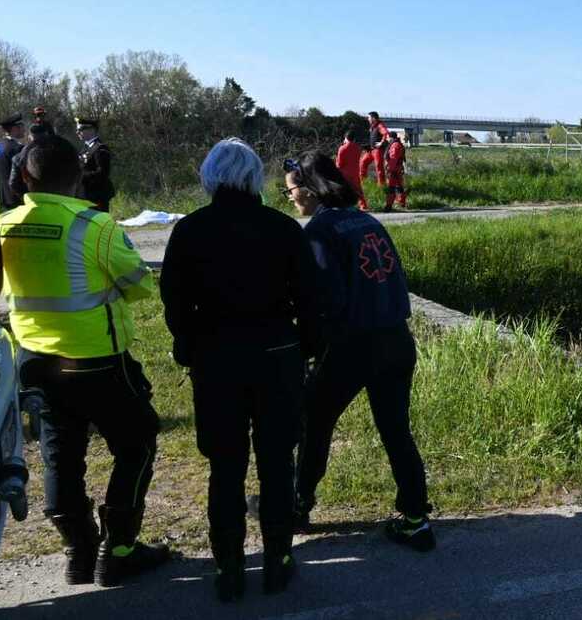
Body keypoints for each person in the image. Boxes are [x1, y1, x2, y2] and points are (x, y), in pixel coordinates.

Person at [0, 133, 168, 587]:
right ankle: (118, 550)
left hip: (36, 362)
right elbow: (138, 284)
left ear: (24, 177)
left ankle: (78, 551)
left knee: (60, 459)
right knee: (137, 446)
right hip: (97, 362)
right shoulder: (95, 226)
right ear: (78, 176)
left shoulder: (4, 223)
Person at [159, 139, 320, 601]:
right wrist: (306, 348)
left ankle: (228, 567)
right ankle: (277, 560)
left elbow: (174, 302)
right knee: (276, 463)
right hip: (277, 357)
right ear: (254, 178)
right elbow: (310, 299)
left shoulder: (190, 230)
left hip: (217, 361)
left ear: (211, 177)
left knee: (225, 468)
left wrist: (190, 347)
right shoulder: (283, 228)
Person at [284, 151, 435, 552]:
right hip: (397, 339)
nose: (292, 199)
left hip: (354, 344)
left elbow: (324, 300)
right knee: (395, 430)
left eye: (292, 191)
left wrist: (308, 352)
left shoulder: (319, 231)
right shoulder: (368, 220)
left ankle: (298, 506)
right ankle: (416, 519)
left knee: (315, 421)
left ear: (311, 188)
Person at [74, 118, 115, 212]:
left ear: (91, 130)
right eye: (77, 130)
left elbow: (103, 172)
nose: (77, 132)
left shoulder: (100, 148)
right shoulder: (86, 148)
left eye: (80, 130)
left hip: (98, 194)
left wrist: (82, 176)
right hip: (86, 194)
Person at [0, 114, 25, 210]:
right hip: (19, 198)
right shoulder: (18, 148)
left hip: (5, 197)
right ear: (14, 128)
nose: (24, 129)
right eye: (21, 126)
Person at [334, 129, 368, 210]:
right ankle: (363, 205)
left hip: (345, 173)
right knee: (358, 189)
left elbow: (339, 163)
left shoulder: (342, 148)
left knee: (343, 190)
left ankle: (344, 206)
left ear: (346, 138)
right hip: (355, 171)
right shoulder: (358, 148)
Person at [382, 131, 407, 211]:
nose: (387, 139)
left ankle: (388, 206)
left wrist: (389, 169)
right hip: (398, 168)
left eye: (388, 137)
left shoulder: (395, 145)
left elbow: (393, 158)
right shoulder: (397, 144)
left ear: (391, 137)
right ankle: (401, 204)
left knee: (391, 188)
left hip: (394, 169)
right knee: (399, 187)